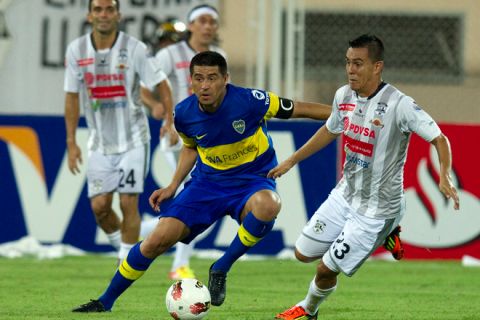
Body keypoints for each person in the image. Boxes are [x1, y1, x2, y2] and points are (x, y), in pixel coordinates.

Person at [71, 50, 332, 313]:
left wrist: (344, 114)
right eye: (199, 78)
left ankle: (221, 267)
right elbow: (191, 147)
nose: (205, 85)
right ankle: (105, 301)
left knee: (269, 205)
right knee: (156, 240)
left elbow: (298, 108)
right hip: (207, 185)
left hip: (252, 180)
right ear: (191, 80)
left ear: (225, 79)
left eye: (212, 78)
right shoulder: (183, 113)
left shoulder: (251, 101)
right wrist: (173, 185)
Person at [270, 34, 460, 320]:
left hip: (377, 210)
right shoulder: (343, 95)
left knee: (324, 268)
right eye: (348, 63)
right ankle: (390, 234)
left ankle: (308, 310)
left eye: (358, 63)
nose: (351, 70)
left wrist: (444, 175)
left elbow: (439, 138)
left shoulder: (400, 104)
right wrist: (292, 159)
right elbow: (330, 129)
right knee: (301, 253)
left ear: (377, 66)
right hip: (345, 194)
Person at [64, 0, 176, 263]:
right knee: (100, 208)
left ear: (118, 15)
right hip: (99, 143)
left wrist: (170, 121)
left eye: (109, 9)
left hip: (134, 140)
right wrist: (71, 141)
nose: (104, 15)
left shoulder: (134, 48)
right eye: (98, 10)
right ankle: (123, 249)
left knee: (128, 202)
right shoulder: (76, 50)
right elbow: (71, 97)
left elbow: (162, 82)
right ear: (89, 15)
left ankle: (126, 260)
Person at [139, 4, 227, 280]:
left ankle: (136, 230)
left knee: (196, 202)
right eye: (202, 21)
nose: (208, 26)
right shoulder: (169, 54)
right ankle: (178, 265)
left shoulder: (219, 56)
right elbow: (143, 88)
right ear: (190, 25)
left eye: (212, 21)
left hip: (209, 138)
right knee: (197, 198)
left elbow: (225, 96)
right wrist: (159, 108)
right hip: (178, 135)